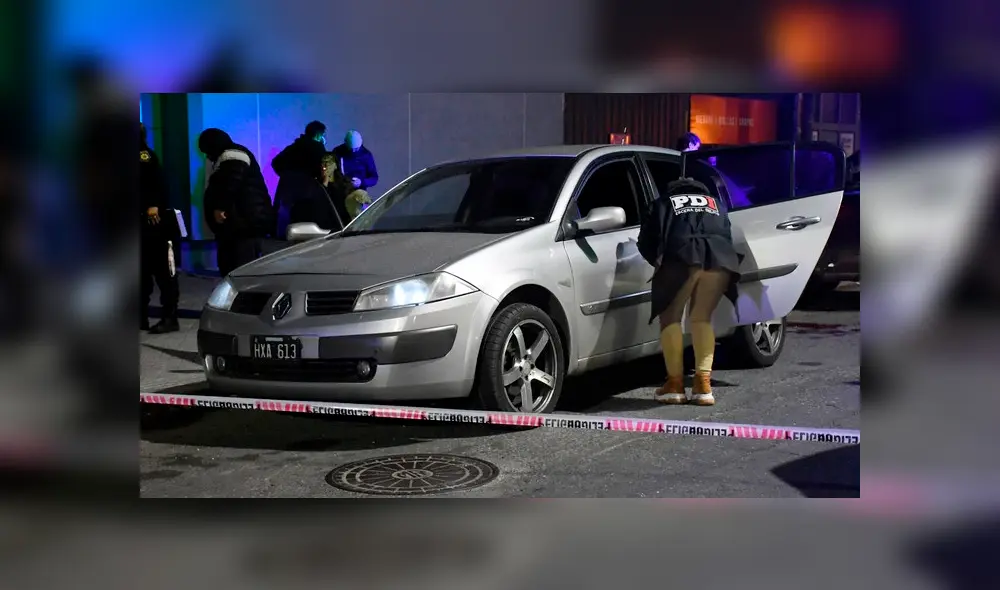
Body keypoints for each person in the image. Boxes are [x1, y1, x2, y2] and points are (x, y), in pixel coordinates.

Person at [637, 177, 741, 406]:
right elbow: (728, 235)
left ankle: (674, 385)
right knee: (702, 319)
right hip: (720, 258)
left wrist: (658, 262)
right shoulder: (716, 204)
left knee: (671, 318)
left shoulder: (663, 203)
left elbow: (645, 240)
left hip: (682, 256)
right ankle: (703, 385)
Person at [198, 128, 274, 276]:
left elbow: (230, 183)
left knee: (239, 270)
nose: (207, 156)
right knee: (237, 267)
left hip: (242, 224)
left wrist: (220, 207)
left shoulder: (232, 156)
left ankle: (242, 300)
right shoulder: (233, 155)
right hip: (243, 223)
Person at [140, 123, 181, 333]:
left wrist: (153, 204)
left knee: (164, 273)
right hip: (142, 226)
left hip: (154, 226)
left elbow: (155, 183)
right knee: (141, 273)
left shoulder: (143, 155)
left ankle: (170, 317)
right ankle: (141, 317)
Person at [272, 121, 329, 238]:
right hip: (308, 191)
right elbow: (323, 168)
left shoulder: (294, 146)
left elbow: (276, 162)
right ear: (318, 135)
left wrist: (286, 175)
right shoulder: (318, 148)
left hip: (287, 189)